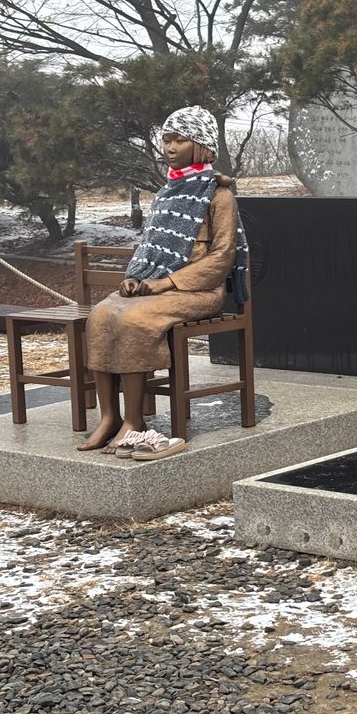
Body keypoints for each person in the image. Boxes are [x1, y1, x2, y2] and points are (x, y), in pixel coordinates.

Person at [77, 106, 249, 456]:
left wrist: (166, 283)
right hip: (154, 285)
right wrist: (135, 278)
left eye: (179, 140)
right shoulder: (167, 192)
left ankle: (134, 420)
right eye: (166, 140)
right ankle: (110, 417)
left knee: (134, 318)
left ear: (200, 145)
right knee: (101, 315)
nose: (170, 147)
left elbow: (222, 257)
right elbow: (149, 246)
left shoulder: (219, 196)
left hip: (198, 290)